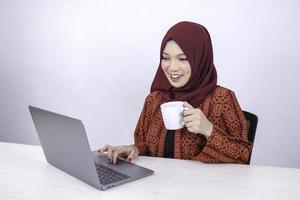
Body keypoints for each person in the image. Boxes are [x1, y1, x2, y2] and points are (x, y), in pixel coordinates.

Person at [98, 21, 252, 164]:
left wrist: (208, 130)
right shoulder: (154, 100)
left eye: (183, 59)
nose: (172, 68)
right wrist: (133, 149)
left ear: (200, 58)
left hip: (205, 190)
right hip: (157, 188)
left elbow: (244, 155)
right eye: (165, 58)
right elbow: (144, 145)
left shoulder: (222, 99)